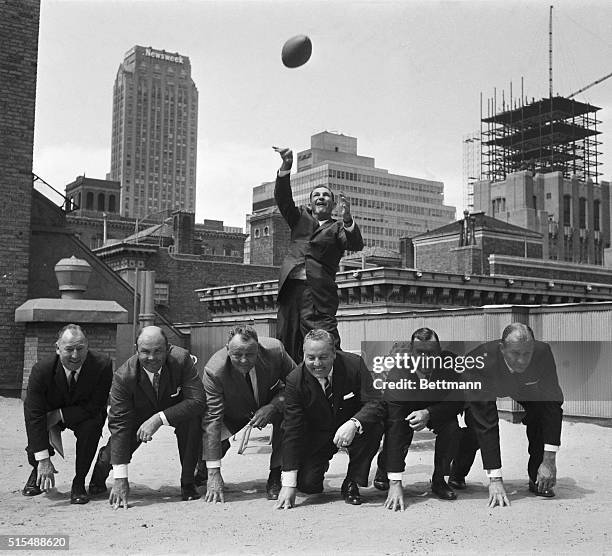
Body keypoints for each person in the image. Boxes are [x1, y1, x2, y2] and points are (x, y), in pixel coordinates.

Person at [88, 326, 206, 508]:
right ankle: (99, 473)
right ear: (136, 349)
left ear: (168, 348)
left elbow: (197, 401)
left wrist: (158, 418)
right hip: (136, 414)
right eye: (145, 352)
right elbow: (119, 425)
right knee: (115, 449)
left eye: (158, 351)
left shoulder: (182, 360)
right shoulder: (123, 376)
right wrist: (121, 478)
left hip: (173, 409)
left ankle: (188, 482)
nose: (151, 358)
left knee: (192, 421)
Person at [449, 323, 564, 507]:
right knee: (477, 428)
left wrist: (549, 461)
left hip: (521, 387)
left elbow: (552, 405)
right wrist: (495, 479)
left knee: (541, 413)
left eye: (527, 354)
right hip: (479, 384)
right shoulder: (479, 361)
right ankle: (458, 472)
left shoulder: (543, 353)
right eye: (515, 354)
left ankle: (537, 477)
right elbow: (487, 423)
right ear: (502, 349)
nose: (522, 360)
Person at [273, 146, 364, 361]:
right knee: (287, 344)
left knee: (324, 343)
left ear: (332, 204)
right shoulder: (299, 217)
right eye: (316, 195)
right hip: (290, 292)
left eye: (326, 195)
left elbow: (355, 243)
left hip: (318, 296)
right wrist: (286, 166)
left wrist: (348, 219)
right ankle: (291, 388)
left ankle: (333, 385)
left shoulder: (338, 227)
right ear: (311, 202)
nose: (321, 197)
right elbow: (283, 198)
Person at [275, 329, 384, 509]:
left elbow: (376, 402)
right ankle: (319, 466)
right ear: (304, 355)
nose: (317, 364)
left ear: (334, 353)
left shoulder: (354, 365)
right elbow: (292, 430)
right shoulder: (295, 380)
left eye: (323, 357)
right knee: (308, 485)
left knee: (374, 425)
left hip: (352, 430)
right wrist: (288, 484)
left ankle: (352, 482)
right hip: (319, 436)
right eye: (311, 358)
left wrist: (354, 423)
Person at [200, 325, 296, 502]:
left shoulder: (277, 351)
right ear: (227, 349)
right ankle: (204, 467)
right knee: (203, 445)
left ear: (258, 349)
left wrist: (274, 406)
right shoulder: (214, 370)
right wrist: (214, 472)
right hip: (233, 411)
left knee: (289, 413)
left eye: (250, 354)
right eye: (237, 355)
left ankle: (276, 474)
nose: (244, 360)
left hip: (270, 403)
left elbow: (297, 385)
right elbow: (212, 418)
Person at [22, 324, 112, 505]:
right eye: (69, 349)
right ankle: (37, 470)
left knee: (92, 426)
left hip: (84, 413)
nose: (75, 356)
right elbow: (34, 415)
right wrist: (43, 459)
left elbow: (96, 405)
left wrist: (61, 414)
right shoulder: (41, 370)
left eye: (80, 349)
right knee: (37, 428)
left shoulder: (102, 365)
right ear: (57, 348)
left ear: (87, 347)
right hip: (47, 413)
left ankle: (79, 482)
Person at [376, 329, 464, 511]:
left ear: (439, 352)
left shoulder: (452, 364)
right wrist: (396, 483)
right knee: (398, 433)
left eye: (430, 353)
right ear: (411, 353)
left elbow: (458, 400)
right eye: (420, 353)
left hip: (435, 408)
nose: (425, 358)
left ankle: (439, 480)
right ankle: (384, 469)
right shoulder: (398, 373)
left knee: (452, 428)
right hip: (405, 409)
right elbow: (394, 427)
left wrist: (429, 413)